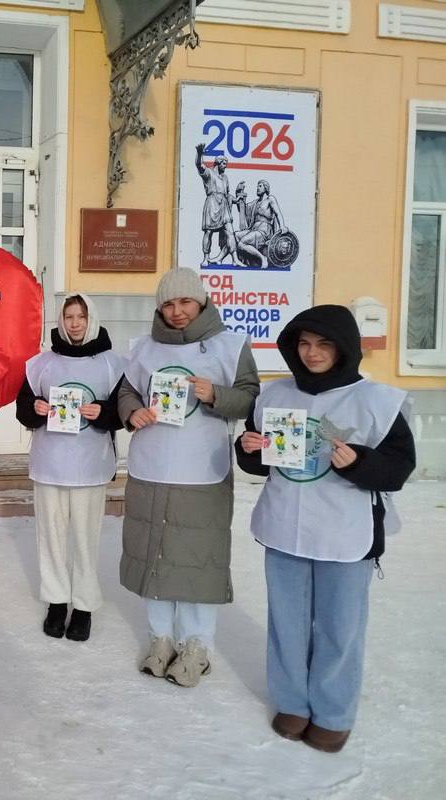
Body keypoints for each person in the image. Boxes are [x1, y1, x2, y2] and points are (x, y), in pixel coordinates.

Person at [236, 305, 415, 753]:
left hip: (344, 532)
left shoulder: (378, 400)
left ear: (344, 348)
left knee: (339, 626)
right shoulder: (275, 396)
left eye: (323, 344)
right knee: (288, 623)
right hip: (285, 528)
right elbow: (258, 457)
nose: (312, 353)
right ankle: (293, 703)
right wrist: (247, 447)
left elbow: (398, 468)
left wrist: (360, 462)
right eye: (304, 343)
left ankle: (334, 712)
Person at [118, 267, 259, 687]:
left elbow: (250, 397)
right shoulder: (144, 349)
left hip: (202, 471)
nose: (177, 311)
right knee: (155, 555)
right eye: (168, 304)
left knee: (197, 558)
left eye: (185, 302)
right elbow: (126, 392)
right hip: (152, 467)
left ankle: (196, 644)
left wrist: (215, 394)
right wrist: (131, 411)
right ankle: (160, 637)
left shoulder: (229, 346)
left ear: (202, 302)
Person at [16, 294, 125, 641]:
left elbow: (125, 411)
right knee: (51, 537)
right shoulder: (40, 364)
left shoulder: (113, 364)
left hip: (90, 466)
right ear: (61, 321)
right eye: (69, 317)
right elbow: (22, 409)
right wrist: (37, 409)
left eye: (80, 316)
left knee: (84, 537)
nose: (75, 323)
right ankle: (56, 601)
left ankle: (83, 605)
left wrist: (103, 413)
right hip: (50, 464)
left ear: (91, 318)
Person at [196, 143, 238, 266]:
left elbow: (228, 195)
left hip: (224, 206)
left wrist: (237, 199)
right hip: (212, 203)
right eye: (224, 164)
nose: (225, 166)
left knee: (230, 231)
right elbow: (199, 165)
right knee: (208, 232)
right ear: (218, 162)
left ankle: (235, 259)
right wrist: (199, 154)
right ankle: (206, 257)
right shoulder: (209, 173)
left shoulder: (225, 178)